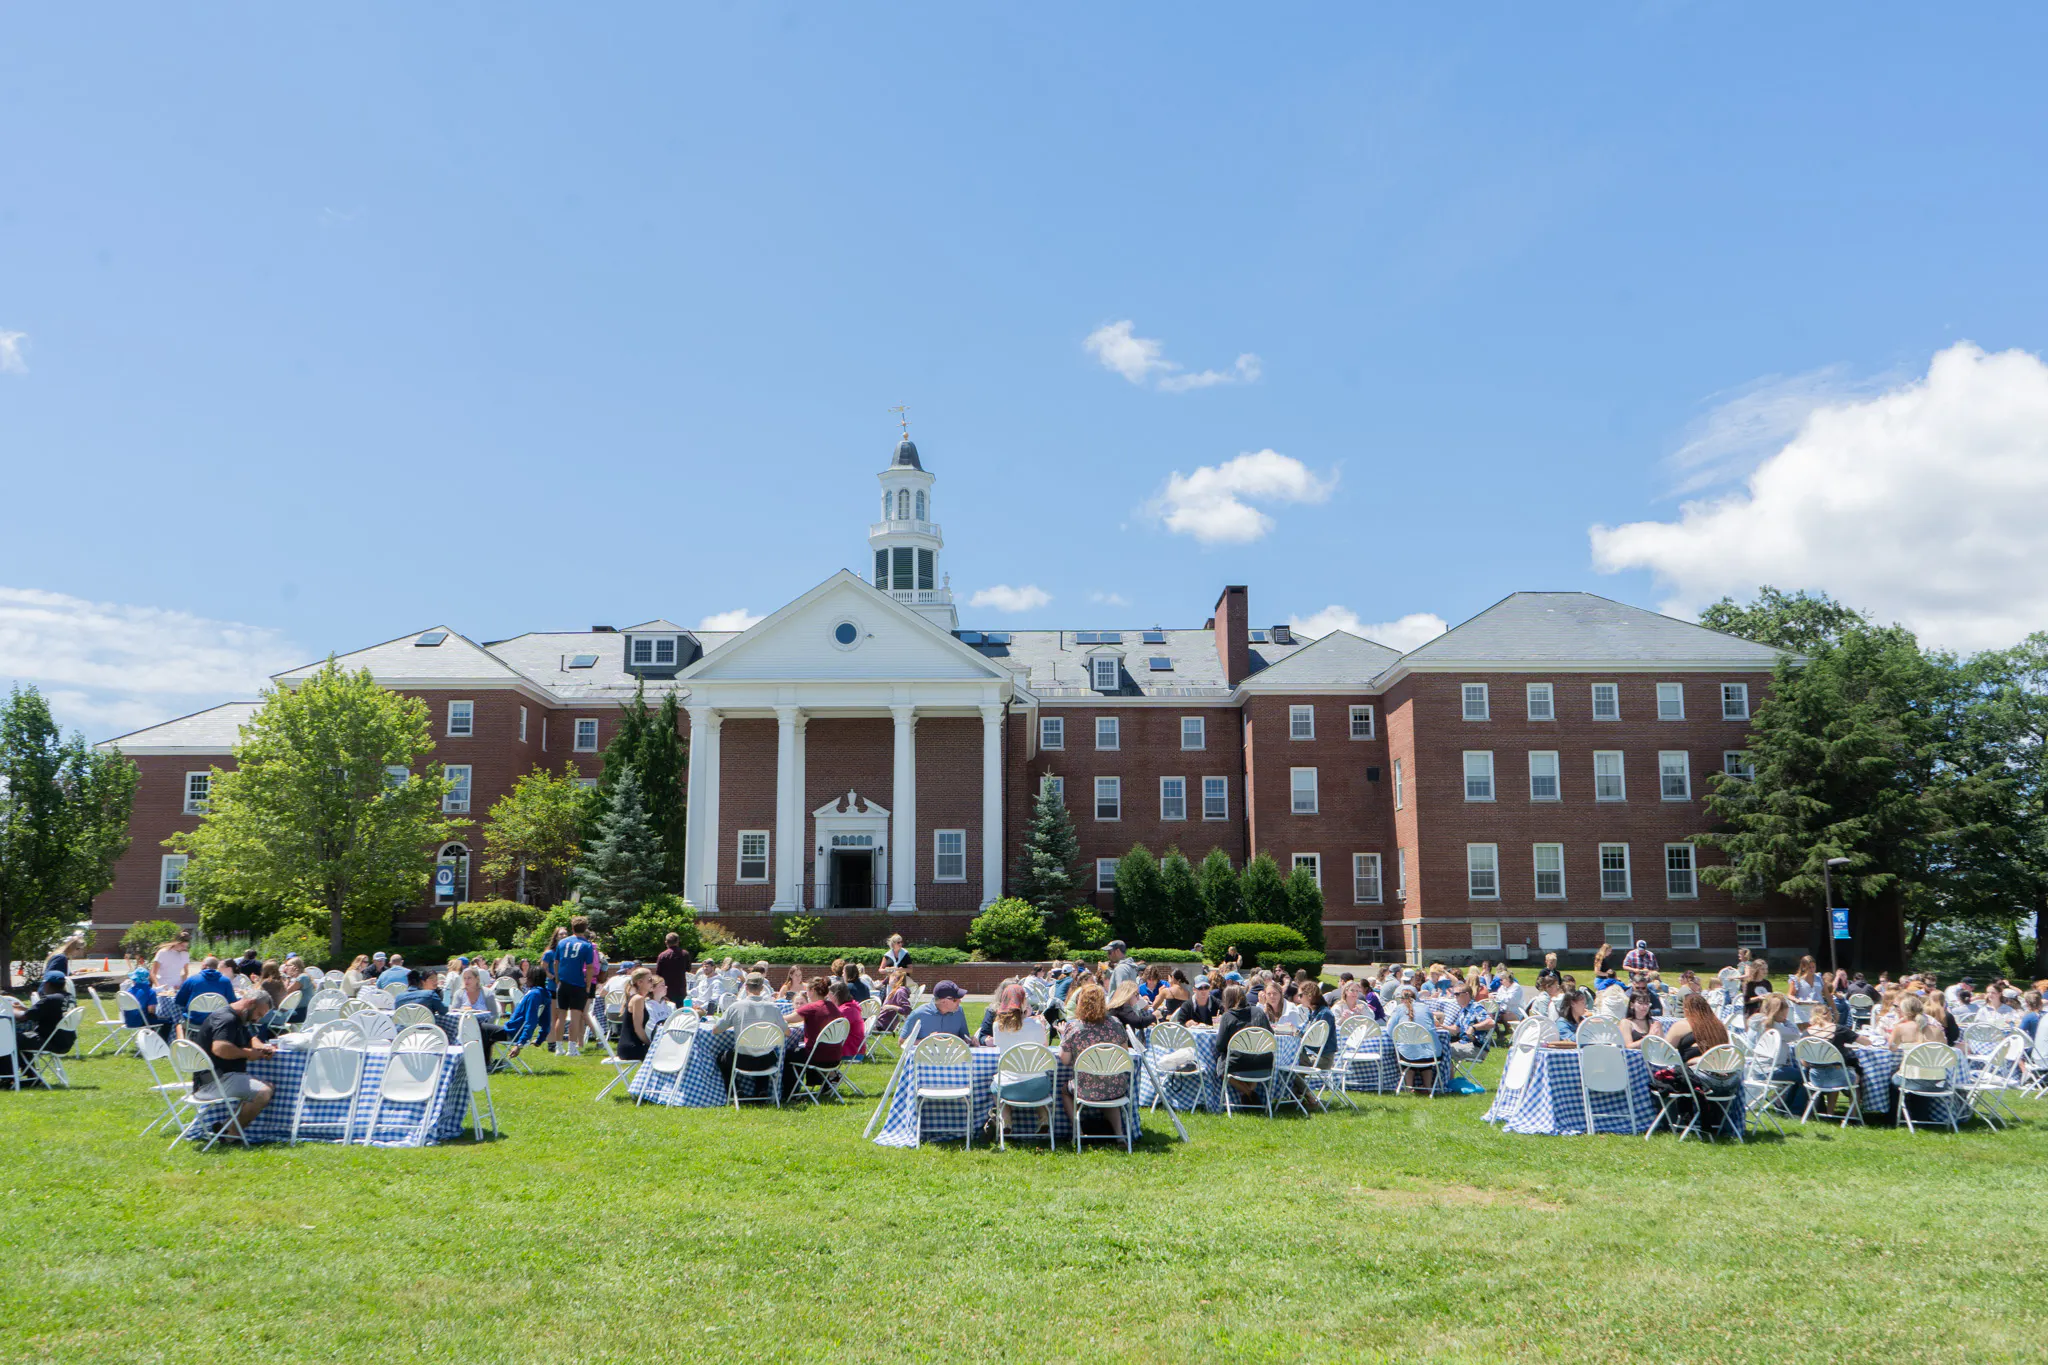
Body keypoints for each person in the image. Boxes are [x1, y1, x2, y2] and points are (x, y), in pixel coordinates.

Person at [191, 992, 278, 1136]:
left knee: (267, 1086)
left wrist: (262, 1047)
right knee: (264, 1092)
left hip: (214, 1078)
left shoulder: (238, 1017)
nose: (257, 1019)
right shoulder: (228, 1019)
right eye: (259, 1014)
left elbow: (251, 1038)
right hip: (213, 1081)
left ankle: (227, 1128)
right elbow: (220, 1048)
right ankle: (232, 1133)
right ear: (251, 1003)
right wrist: (248, 1054)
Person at [1057, 981, 1131, 1138]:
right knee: (1108, 1086)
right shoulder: (1116, 1024)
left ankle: (1078, 1131)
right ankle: (1119, 1135)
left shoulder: (1074, 1027)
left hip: (1086, 1088)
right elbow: (1124, 1053)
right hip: (1116, 1087)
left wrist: (1064, 1035)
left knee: (1064, 1090)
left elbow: (1064, 1060)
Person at [549, 916, 600, 1055]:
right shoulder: (587, 945)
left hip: (563, 983)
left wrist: (558, 979)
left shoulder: (562, 943)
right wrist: (588, 985)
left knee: (561, 1015)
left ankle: (559, 1048)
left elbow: (556, 962)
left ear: (572, 928)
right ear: (585, 928)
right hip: (578, 984)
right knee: (576, 1016)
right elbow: (590, 967)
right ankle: (572, 1048)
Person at [786, 977, 845, 1092]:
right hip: (835, 1056)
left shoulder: (812, 1007)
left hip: (816, 1056)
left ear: (812, 990)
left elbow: (787, 1019)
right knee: (802, 1050)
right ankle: (826, 1080)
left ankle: (788, 1091)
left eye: (807, 990)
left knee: (787, 1054)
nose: (806, 993)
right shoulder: (833, 1007)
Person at [502, 965, 552, 1060]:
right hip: (516, 1032)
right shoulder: (545, 994)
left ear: (531, 978)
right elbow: (546, 1021)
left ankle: (487, 1063)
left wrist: (520, 1044)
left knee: (483, 1030)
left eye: (527, 976)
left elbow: (531, 1021)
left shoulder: (533, 995)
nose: (525, 979)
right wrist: (540, 1038)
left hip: (512, 1032)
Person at [1662, 992, 1729, 1063]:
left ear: (1686, 1010)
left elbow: (1664, 1052)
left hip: (1691, 1071)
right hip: (1720, 1068)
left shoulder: (1682, 1026)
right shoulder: (1719, 1025)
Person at [898, 980, 971, 1042]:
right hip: (925, 1057)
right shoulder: (919, 1014)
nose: (960, 1001)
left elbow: (964, 1037)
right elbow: (902, 1041)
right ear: (943, 1001)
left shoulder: (959, 1012)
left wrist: (970, 1040)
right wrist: (928, 1041)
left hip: (953, 1057)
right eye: (955, 999)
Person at [172, 956, 238, 1024]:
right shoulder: (226, 981)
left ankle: (178, 1033)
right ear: (217, 966)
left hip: (194, 1019)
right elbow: (232, 1001)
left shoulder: (192, 979)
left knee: (178, 1019)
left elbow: (179, 1000)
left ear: (204, 965)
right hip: (218, 1020)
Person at [1444, 983, 1493, 1060]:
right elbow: (1455, 1029)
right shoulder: (1463, 1010)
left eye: (1457, 994)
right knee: (1440, 1049)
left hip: (1476, 1048)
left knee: (1443, 1051)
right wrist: (1440, 1026)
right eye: (1454, 994)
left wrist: (1474, 1028)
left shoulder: (1476, 1007)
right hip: (1463, 1044)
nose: (1455, 997)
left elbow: (1491, 1022)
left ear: (1466, 995)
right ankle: (1448, 1071)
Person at [616, 968, 656, 1062]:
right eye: (650, 980)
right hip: (631, 1047)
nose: (652, 982)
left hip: (629, 1046)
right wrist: (651, 1044)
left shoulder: (636, 998)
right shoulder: (638, 999)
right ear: (640, 982)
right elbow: (638, 1029)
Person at [121, 967, 169, 1041]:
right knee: (168, 1021)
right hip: (142, 1021)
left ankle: (150, 1040)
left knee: (153, 1019)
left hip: (128, 1021)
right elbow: (151, 1011)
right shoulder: (150, 992)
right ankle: (161, 1043)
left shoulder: (129, 991)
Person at [829, 982, 866, 1060]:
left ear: (835, 995)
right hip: (854, 1050)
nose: (827, 997)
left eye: (829, 994)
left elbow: (831, 1029)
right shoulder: (850, 1006)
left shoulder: (846, 1010)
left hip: (851, 1053)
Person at [151, 929, 192, 995]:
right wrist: (158, 987)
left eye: (186, 946)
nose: (184, 948)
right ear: (176, 943)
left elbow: (186, 973)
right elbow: (153, 973)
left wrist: (181, 985)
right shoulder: (163, 952)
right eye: (182, 946)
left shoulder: (185, 954)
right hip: (162, 987)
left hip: (176, 989)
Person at [872, 969, 914, 1034]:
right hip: (881, 1021)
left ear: (895, 979)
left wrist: (891, 1007)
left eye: (889, 978)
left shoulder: (900, 991)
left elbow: (907, 1010)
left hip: (883, 1024)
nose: (888, 980)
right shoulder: (895, 990)